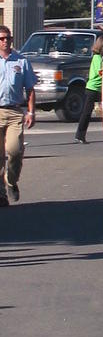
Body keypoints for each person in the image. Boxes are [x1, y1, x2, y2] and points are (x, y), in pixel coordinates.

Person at [0, 25, 37, 206]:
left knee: (14, 151)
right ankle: (1, 193)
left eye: (8, 38)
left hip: (15, 112)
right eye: (2, 39)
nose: (5, 41)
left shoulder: (21, 62)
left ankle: (11, 181)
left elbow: (30, 89)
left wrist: (31, 111)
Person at [74, 34, 103, 144]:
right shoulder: (97, 58)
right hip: (93, 89)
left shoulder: (98, 58)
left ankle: (81, 135)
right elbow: (101, 72)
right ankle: (80, 135)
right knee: (87, 113)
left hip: (97, 88)